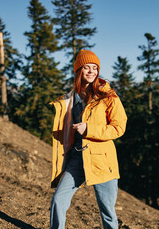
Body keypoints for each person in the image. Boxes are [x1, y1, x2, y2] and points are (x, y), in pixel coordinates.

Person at [49, 50, 127, 229]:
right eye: (87, 67)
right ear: (78, 70)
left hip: (102, 160)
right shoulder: (70, 99)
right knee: (57, 201)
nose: (91, 71)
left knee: (107, 211)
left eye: (95, 68)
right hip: (77, 158)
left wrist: (88, 129)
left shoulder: (108, 96)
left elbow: (119, 127)